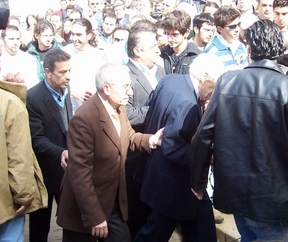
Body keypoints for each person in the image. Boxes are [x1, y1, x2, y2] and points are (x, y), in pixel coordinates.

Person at [190, 19, 288, 242]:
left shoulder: (228, 82)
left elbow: (202, 136)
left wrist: (197, 181)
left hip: (242, 192)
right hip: (271, 197)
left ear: (249, 49)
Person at [56, 63, 164, 242]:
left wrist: (152, 140)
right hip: (85, 208)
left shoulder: (117, 107)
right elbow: (79, 174)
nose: (130, 93)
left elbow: (128, 137)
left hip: (111, 202)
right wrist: (95, 217)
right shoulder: (84, 119)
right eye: (125, 87)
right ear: (106, 88)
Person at [135, 53, 224, 242]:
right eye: (214, 85)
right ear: (205, 77)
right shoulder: (188, 102)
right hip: (174, 184)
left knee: (202, 230)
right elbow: (172, 147)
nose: (213, 91)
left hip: (161, 176)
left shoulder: (170, 80)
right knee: (153, 234)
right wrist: (207, 157)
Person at [0, 47, 47, 242]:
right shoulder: (9, 102)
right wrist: (24, 195)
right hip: (5, 201)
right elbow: (19, 156)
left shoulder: (9, 101)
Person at [26, 48, 73, 242]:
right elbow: (36, 139)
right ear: (47, 72)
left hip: (67, 171)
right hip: (44, 173)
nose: (68, 76)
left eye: (70, 71)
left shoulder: (66, 90)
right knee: (40, 225)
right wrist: (60, 152)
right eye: (62, 72)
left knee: (70, 221)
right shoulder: (33, 97)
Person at [125, 21, 166, 239]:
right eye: (152, 46)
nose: (158, 49)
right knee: (137, 217)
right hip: (135, 158)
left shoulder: (161, 71)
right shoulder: (125, 75)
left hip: (157, 156)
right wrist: (157, 110)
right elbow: (128, 115)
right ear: (137, 51)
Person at [205, 5, 249, 70]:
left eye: (238, 24)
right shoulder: (212, 50)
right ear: (220, 29)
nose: (237, 29)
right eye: (232, 26)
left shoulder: (241, 47)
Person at [160, 10, 201, 74]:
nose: (170, 39)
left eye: (175, 35)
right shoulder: (162, 54)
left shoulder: (197, 56)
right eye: (167, 33)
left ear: (186, 33)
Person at [0, 25, 39, 89]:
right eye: (11, 39)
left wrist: (22, 81)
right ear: (2, 40)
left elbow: (34, 84)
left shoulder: (28, 59)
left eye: (18, 39)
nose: (15, 42)